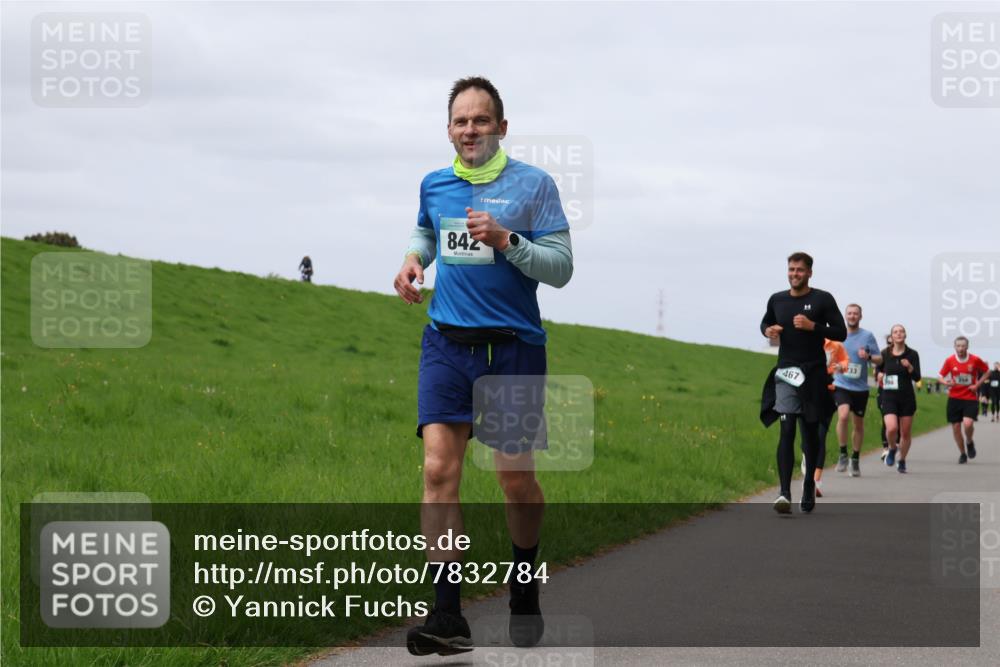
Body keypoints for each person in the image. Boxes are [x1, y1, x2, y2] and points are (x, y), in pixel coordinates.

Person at [393, 76, 573, 656]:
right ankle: (447, 613)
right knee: (438, 470)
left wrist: (507, 239)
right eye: (460, 121)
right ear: (449, 129)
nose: (469, 130)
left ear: (501, 125)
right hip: (447, 342)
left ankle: (524, 584)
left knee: (513, 480)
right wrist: (413, 260)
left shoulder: (534, 185)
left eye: (480, 120)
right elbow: (428, 230)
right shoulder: (436, 183)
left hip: (513, 348)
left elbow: (561, 266)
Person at [760, 252, 847, 514]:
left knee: (810, 434)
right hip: (786, 371)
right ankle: (784, 492)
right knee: (786, 428)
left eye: (799, 270)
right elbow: (765, 321)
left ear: (809, 273)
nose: (794, 274)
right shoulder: (777, 299)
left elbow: (840, 332)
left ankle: (809, 483)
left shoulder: (822, 299)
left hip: (814, 375)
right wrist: (768, 330)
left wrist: (814, 326)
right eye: (791, 269)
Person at [831, 304, 882, 477]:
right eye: (849, 313)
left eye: (855, 314)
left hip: (860, 388)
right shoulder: (838, 334)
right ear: (845, 316)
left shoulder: (867, 336)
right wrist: (835, 365)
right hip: (841, 384)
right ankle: (843, 453)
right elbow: (829, 355)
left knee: (858, 424)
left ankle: (855, 459)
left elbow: (879, 359)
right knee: (843, 415)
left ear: (860, 316)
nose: (852, 316)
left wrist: (868, 356)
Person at [801, 338, 849, 497]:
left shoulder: (835, 346)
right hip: (808, 392)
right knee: (808, 436)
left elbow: (845, 362)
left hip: (828, 392)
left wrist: (841, 366)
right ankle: (806, 459)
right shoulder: (806, 341)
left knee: (821, 436)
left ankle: (815, 480)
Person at [875, 325, 921, 473]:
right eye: (895, 332)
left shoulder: (912, 354)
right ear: (892, 336)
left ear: (905, 335)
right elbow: (877, 371)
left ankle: (902, 460)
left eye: (901, 331)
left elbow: (917, 377)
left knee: (906, 433)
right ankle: (892, 448)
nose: (899, 334)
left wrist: (909, 367)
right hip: (889, 397)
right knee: (892, 428)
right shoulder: (885, 354)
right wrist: (879, 376)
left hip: (907, 397)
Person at [938, 336, 989, 463]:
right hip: (954, 398)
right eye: (958, 346)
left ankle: (969, 442)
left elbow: (987, 372)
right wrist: (946, 383)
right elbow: (940, 376)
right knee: (956, 427)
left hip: (970, 397)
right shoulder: (950, 360)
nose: (960, 348)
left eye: (963, 346)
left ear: (967, 347)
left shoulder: (975, 359)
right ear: (954, 347)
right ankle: (962, 453)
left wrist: (977, 385)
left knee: (968, 423)